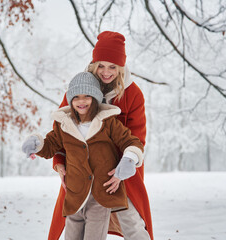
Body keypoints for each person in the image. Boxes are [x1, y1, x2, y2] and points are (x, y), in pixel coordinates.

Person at [50, 31, 154, 239]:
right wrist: (60, 162)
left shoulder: (133, 95)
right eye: (101, 65)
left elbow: (136, 139)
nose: (106, 72)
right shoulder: (79, 90)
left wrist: (123, 168)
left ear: (121, 68)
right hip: (83, 168)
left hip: (117, 174)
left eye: (112, 67)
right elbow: (62, 128)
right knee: (74, 224)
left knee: (132, 222)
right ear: (93, 64)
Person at [22, 72, 144, 240]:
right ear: (71, 100)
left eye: (87, 96)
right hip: (75, 196)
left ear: (95, 98)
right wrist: (37, 143)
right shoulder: (64, 124)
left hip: (100, 197)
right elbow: (50, 145)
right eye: (76, 97)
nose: (81, 101)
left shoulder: (107, 122)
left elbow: (130, 141)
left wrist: (130, 157)